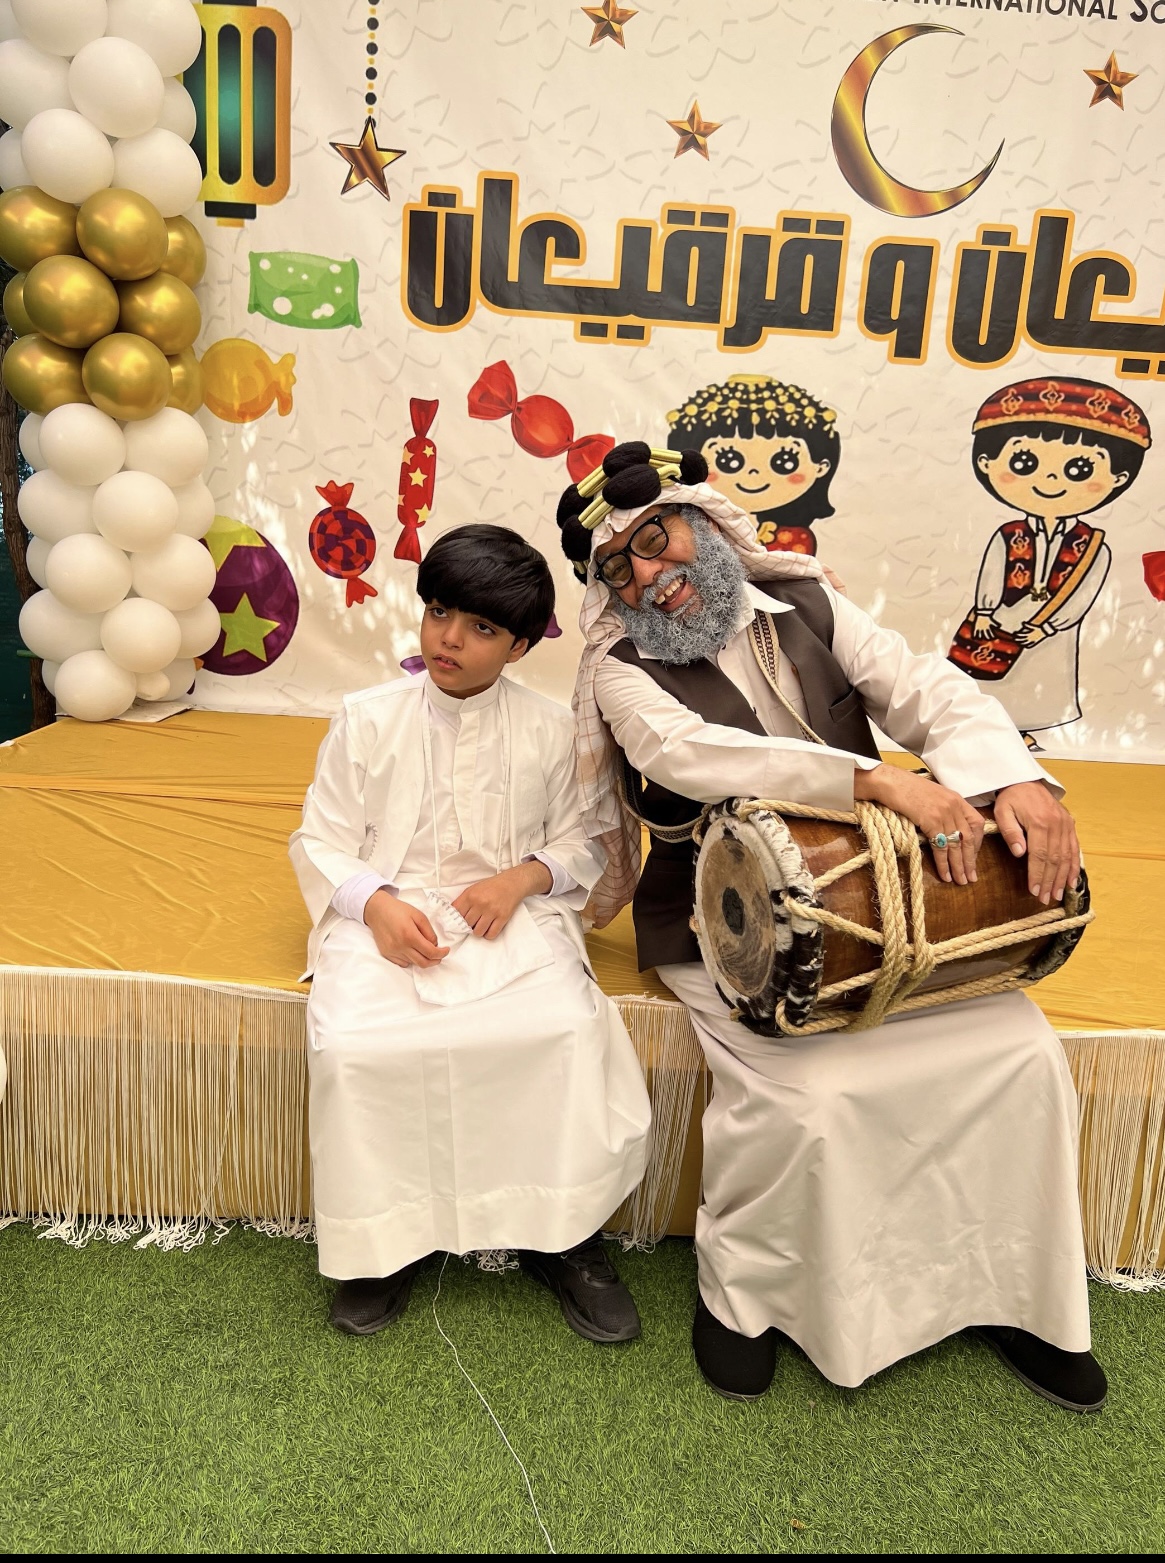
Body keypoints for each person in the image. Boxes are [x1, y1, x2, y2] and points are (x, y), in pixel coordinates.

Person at [557, 442, 1106, 1410]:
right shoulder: (619, 670)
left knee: (1021, 1057)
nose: (646, 574)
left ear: (702, 524)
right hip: (718, 917)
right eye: (617, 567)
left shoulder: (806, 604)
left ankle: (1019, 1295)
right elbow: (688, 753)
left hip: (880, 896)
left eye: (654, 537)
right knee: (803, 1098)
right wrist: (875, 781)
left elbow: (923, 688)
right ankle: (743, 1302)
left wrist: (1010, 777)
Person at [290, 524, 651, 1341]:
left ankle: (562, 1235)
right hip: (388, 918)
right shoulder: (365, 718)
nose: (449, 638)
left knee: (563, 1030)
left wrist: (520, 878)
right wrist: (373, 903)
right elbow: (320, 839)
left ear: (520, 645)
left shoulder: (551, 729)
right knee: (351, 1045)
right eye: (439, 612)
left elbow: (583, 842)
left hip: (508, 916)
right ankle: (380, 1245)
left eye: (481, 627)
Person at [948, 378, 1150, 748]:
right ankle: (987, 728)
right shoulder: (1008, 533)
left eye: (1080, 469)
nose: (1052, 478)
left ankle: (1022, 733)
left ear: (1118, 478)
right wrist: (984, 612)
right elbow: (992, 572)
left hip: (1051, 633)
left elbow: (1083, 595)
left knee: (1039, 678)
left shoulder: (1094, 546)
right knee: (988, 680)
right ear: (986, 463)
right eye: (1024, 462)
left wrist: (1050, 626)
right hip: (1003, 620)